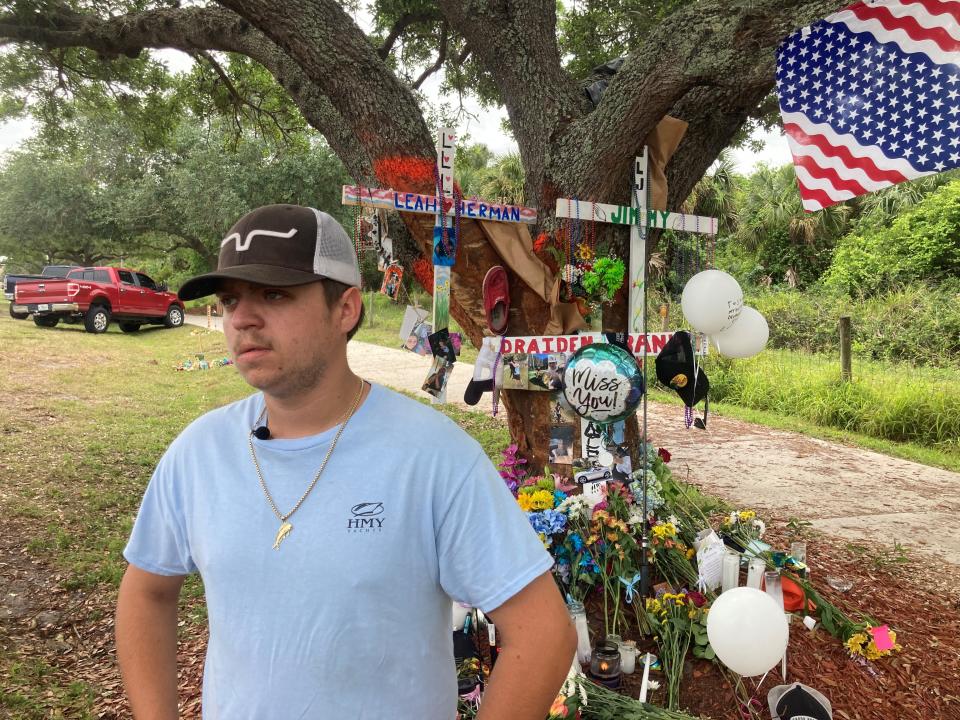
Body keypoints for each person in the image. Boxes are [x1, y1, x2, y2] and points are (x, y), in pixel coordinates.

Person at [115, 204, 576, 719]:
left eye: (274, 294)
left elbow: (543, 635)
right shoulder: (199, 453)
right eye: (229, 299)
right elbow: (146, 594)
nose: (242, 318)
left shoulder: (432, 457)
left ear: (346, 309)